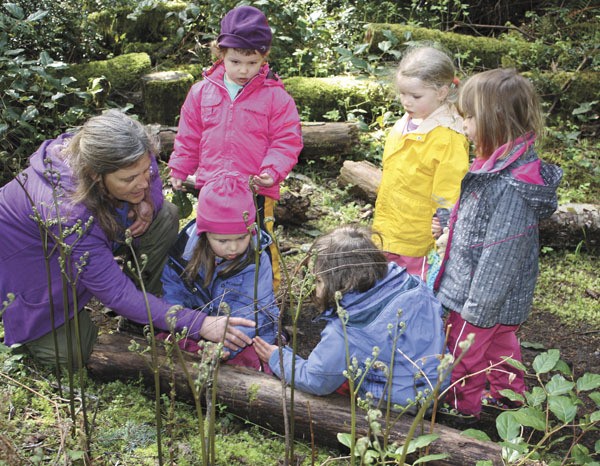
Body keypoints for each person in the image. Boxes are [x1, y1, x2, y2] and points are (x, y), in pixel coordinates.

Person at [0, 110, 254, 368]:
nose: (142, 182)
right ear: (94, 175)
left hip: (80, 242)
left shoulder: (119, 150)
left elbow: (151, 174)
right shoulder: (66, 210)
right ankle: (138, 309)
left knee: (164, 215)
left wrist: (149, 201)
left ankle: (144, 311)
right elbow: (115, 293)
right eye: (129, 179)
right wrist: (199, 324)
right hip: (32, 269)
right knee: (71, 354)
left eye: (144, 171)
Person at [435, 68, 563, 419]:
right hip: (494, 296)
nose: (464, 126)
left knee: (464, 354)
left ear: (496, 119)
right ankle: (509, 399)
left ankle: (460, 411)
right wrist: (449, 222)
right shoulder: (496, 164)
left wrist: (476, 309)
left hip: (479, 297)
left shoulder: (511, 185)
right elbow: (479, 218)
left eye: (470, 118)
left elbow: (500, 255)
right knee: (501, 347)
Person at [168, 5, 303, 291]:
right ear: (220, 54)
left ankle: (267, 297)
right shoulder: (201, 92)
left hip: (254, 188)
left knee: (260, 241)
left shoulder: (275, 96)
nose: (243, 70)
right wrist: (180, 167)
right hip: (212, 187)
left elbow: (286, 139)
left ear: (264, 57)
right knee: (211, 239)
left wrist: (272, 170)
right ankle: (211, 291)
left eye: (252, 63)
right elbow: (189, 134)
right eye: (235, 61)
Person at [253, 225, 449, 409]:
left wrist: (277, 358)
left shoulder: (349, 328)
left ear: (342, 284)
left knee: (339, 382)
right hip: (438, 382)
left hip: (396, 402)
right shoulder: (410, 283)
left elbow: (317, 379)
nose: (314, 286)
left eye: (319, 280)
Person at [161, 174, 279, 372]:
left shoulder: (256, 259)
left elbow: (252, 311)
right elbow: (174, 290)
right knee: (165, 340)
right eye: (222, 241)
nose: (233, 248)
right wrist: (186, 323)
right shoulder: (184, 252)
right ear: (205, 233)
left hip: (242, 332)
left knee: (257, 359)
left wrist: (222, 347)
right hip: (200, 324)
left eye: (241, 238)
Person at [372, 45, 469, 280]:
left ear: (442, 92)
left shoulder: (448, 137)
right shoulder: (406, 121)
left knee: (410, 288)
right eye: (403, 94)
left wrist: (444, 227)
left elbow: (450, 190)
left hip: (418, 237)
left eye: (415, 96)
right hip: (389, 225)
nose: (407, 102)